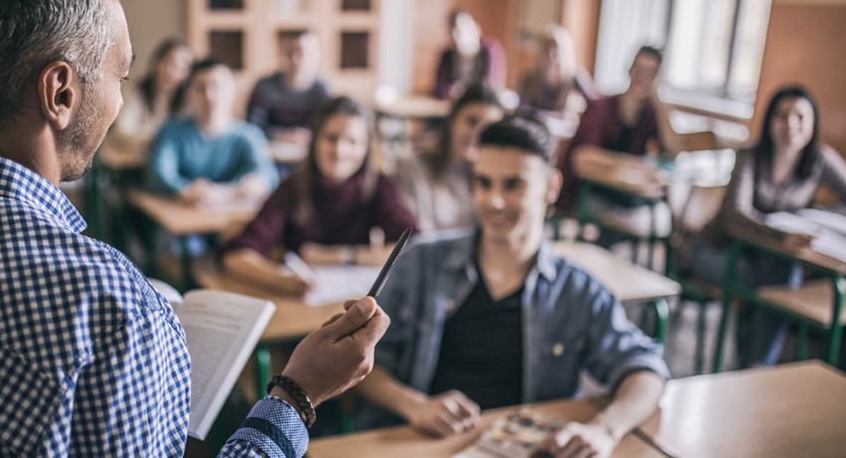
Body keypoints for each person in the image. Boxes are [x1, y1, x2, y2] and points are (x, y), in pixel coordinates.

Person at [0, 0, 389, 456]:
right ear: (61, 92)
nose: (119, 99)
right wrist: (295, 397)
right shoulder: (106, 307)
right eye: (121, 74)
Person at [355, 117, 668, 458]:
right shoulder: (421, 264)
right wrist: (416, 406)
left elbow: (645, 369)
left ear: (551, 186)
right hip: (423, 446)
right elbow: (365, 363)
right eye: (484, 183)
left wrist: (605, 429)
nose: (494, 201)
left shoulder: (576, 290)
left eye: (513, 185)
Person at [688, 86, 846, 368]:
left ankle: (754, 365)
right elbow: (735, 218)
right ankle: (756, 366)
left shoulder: (819, 158)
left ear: (813, 123)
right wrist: (782, 235)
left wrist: (815, 213)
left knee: (783, 278)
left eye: (800, 116)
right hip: (716, 252)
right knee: (783, 286)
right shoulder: (750, 155)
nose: (790, 125)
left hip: (768, 262)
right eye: (781, 116)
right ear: (769, 120)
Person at [223, 96, 417, 296]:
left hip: (354, 303)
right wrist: (282, 281)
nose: (340, 151)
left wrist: (338, 256)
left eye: (353, 141)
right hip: (300, 305)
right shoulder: (292, 187)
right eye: (331, 138)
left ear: (367, 148)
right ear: (315, 140)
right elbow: (236, 256)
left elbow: (413, 246)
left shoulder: (378, 186)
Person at [558, 45, 683, 240]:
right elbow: (581, 158)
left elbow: (675, 150)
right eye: (639, 70)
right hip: (588, 191)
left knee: (667, 220)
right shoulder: (601, 108)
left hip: (624, 194)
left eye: (650, 74)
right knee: (620, 225)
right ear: (630, 70)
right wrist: (630, 164)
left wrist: (658, 102)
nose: (643, 78)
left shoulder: (649, 114)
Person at [146, 58, 279, 207]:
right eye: (201, 88)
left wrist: (257, 182)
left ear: (232, 90)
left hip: (232, 218)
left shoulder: (249, 135)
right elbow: (159, 175)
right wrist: (184, 189)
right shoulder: (171, 132)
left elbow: (266, 172)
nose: (209, 95)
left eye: (217, 86)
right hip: (184, 217)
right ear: (189, 93)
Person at [391, 82, 505, 233]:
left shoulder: (496, 182)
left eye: (488, 128)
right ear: (452, 121)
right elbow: (415, 236)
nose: (478, 134)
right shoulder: (411, 168)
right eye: (471, 121)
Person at [108, 37, 193, 152]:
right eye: (166, 62)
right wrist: (157, 139)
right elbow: (121, 131)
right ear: (156, 62)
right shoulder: (136, 93)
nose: (169, 70)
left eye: (178, 66)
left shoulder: (190, 102)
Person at [246, 30, 331, 145]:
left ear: (317, 56)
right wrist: (281, 135)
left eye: (304, 53)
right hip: (271, 154)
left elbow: (331, 128)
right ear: (282, 54)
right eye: (290, 53)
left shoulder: (323, 91)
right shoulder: (265, 87)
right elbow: (252, 127)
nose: (296, 60)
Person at [517, 24, 598, 125]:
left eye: (556, 50)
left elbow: (595, 106)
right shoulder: (529, 79)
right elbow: (521, 110)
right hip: (536, 130)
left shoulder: (575, 77)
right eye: (547, 50)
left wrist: (578, 115)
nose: (551, 56)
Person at [433, 9, 506, 100]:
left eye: (463, 28)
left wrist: (465, 92)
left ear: (477, 29)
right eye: (454, 29)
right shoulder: (447, 55)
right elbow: (439, 87)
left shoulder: (490, 50)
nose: (458, 34)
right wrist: (450, 91)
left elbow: (491, 85)